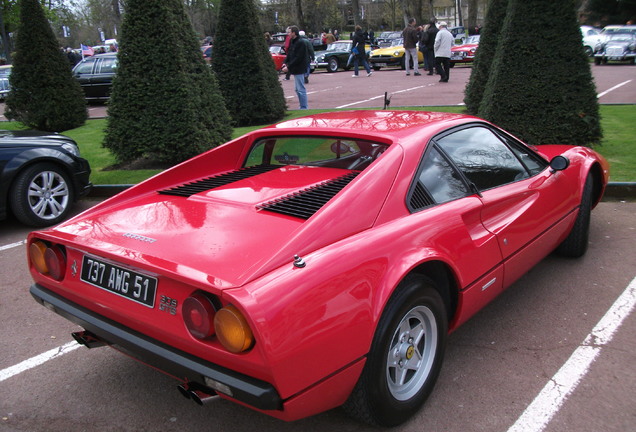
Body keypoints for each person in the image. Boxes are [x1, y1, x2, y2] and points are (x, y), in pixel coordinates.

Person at [282, 26, 309, 109]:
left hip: (300, 68)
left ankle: (304, 107)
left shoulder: (301, 42)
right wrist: (285, 62)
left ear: (294, 33)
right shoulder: (292, 41)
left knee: (300, 89)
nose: (288, 34)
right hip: (295, 68)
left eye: (289, 32)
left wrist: (289, 67)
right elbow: (290, 53)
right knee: (298, 89)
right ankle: (302, 106)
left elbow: (298, 57)